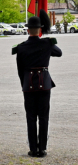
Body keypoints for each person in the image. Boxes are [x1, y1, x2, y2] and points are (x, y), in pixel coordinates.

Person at [14, 12, 62, 158]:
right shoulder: (47, 43)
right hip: (44, 83)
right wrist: (46, 43)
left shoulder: (21, 47)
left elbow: (20, 70)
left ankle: (33, 148)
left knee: (30, 117)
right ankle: (42, 149)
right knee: (43, 116)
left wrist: (25, 84)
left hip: (28, 84)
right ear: (40, 30)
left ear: (28, 30)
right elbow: (59, 53)